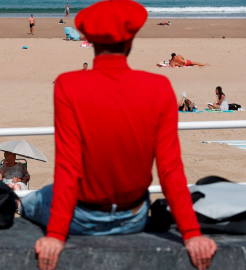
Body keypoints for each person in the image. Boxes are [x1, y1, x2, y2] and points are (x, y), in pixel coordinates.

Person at [20, 1, 217, 270]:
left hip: (82, 218)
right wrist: (192, 234)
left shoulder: (69, 85)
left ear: (88, 39)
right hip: (133, 217)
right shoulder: (159, 87)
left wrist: (55, 235)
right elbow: (170, 169)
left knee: (30, 200)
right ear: (131, 40)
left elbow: (68, 165)